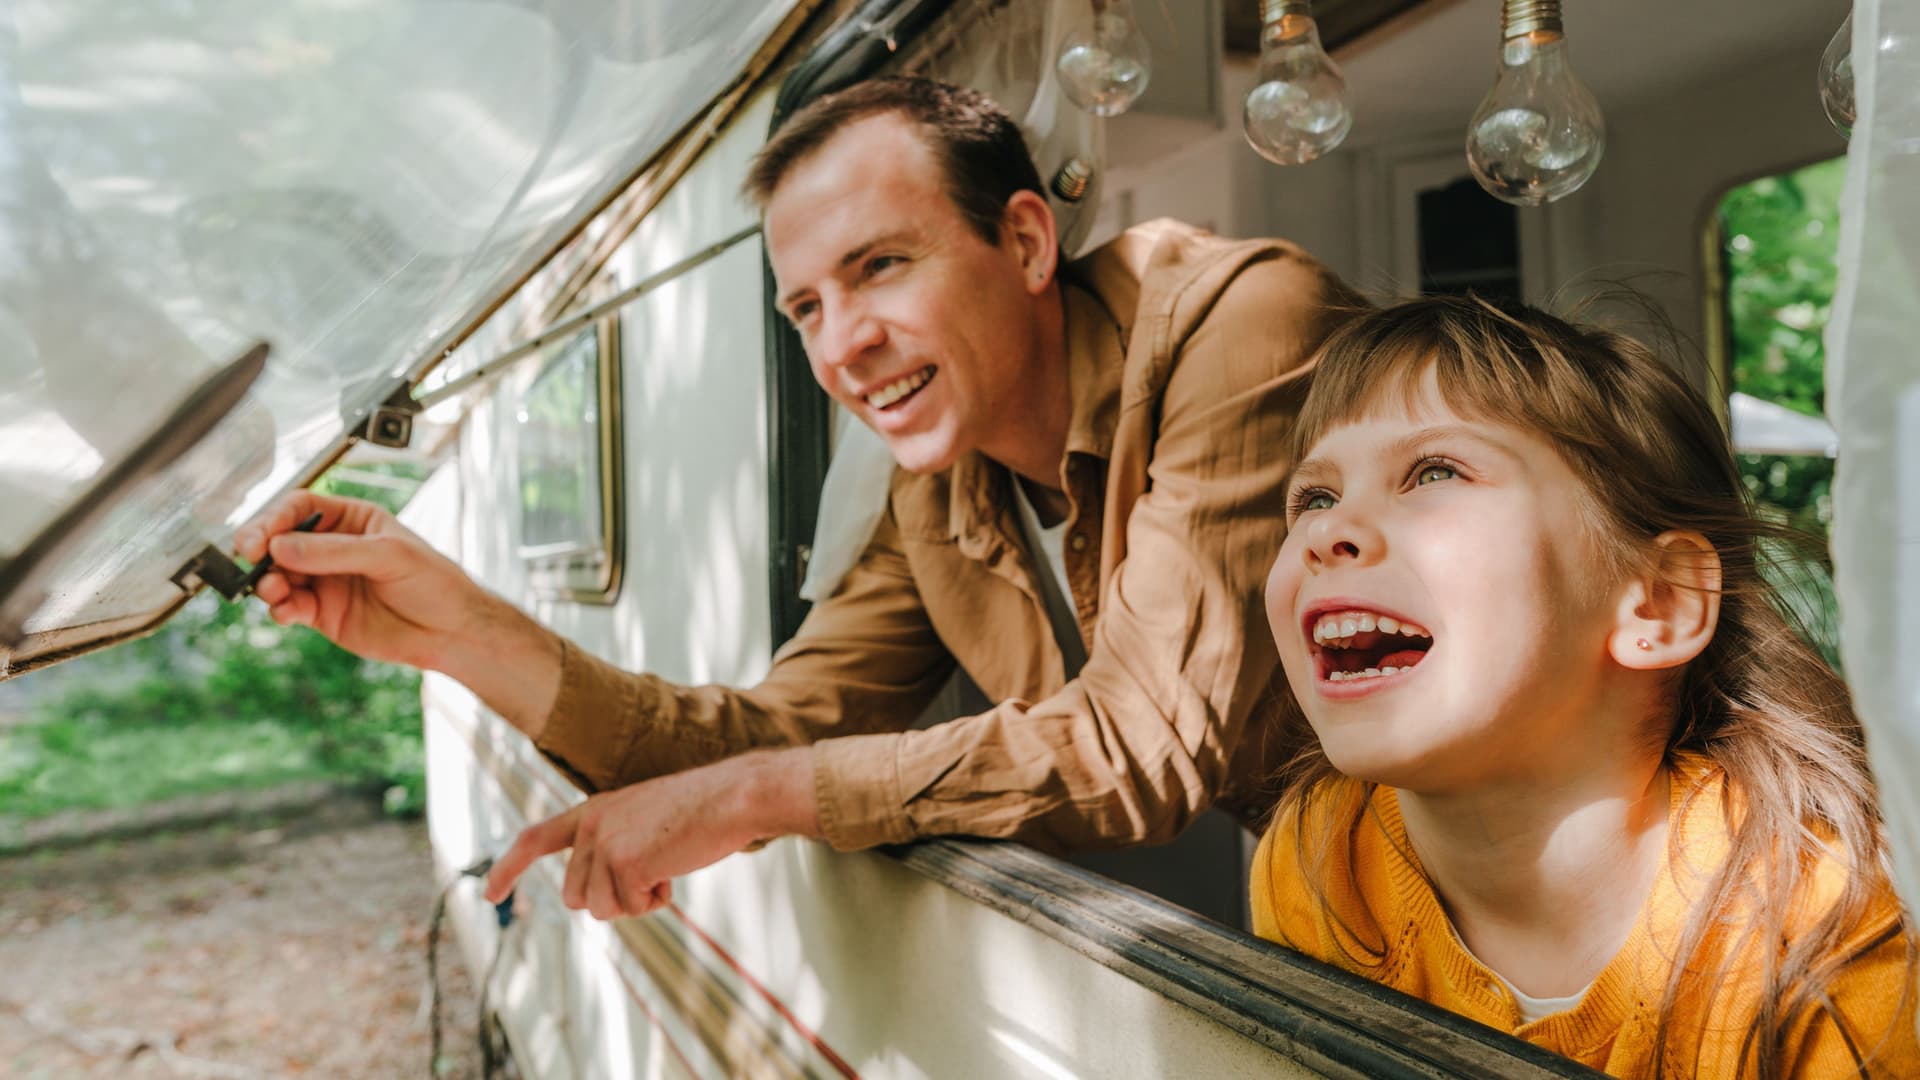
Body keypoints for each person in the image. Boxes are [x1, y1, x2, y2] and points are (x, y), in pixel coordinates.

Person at [236, 77, 1361, 920]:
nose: (846, 347)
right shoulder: (929, 484)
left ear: (1024, 241)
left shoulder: (1235, 323)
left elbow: (1139, 751)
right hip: (1352, 908)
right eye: (806, 309)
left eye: (881, 267)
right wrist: (460, 628)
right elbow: (767, 736)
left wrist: (746, 801)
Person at [1249, 294, 1917, 1077]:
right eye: (1314, 497)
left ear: (1660, 603)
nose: (1329, 531)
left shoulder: (1824, 930)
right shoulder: (1321, 855)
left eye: (1434, 471)